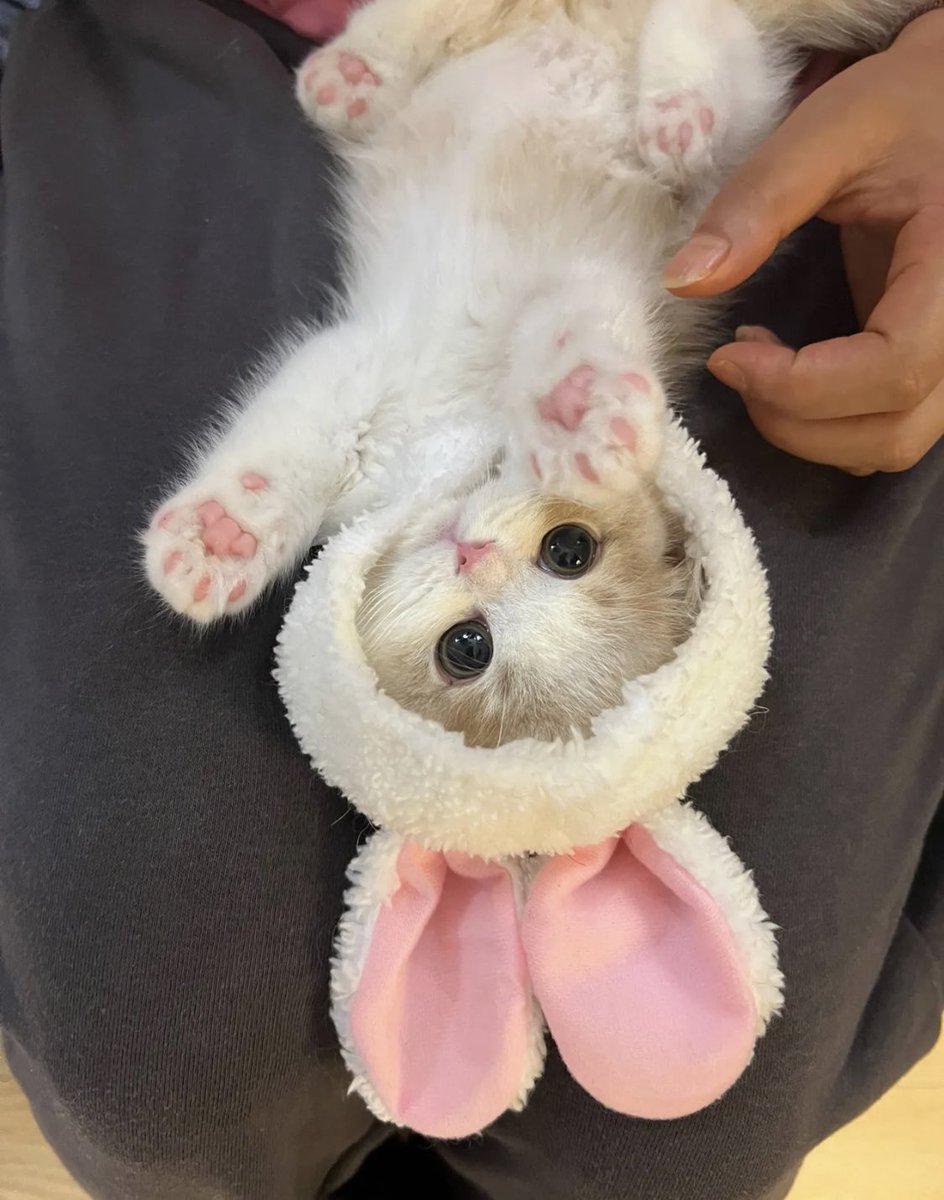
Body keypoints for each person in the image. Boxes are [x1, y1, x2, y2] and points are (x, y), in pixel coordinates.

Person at [0, 2, 940, 1198]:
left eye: (460, 644)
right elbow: (585, 303)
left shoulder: (429, 489)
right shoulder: (599, 437)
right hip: (672, 95)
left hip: (421, 79)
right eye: (563, 557)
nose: (483, 559)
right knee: (684, 1141)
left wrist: (265, 498)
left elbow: (361, 388)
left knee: (152, 1074)